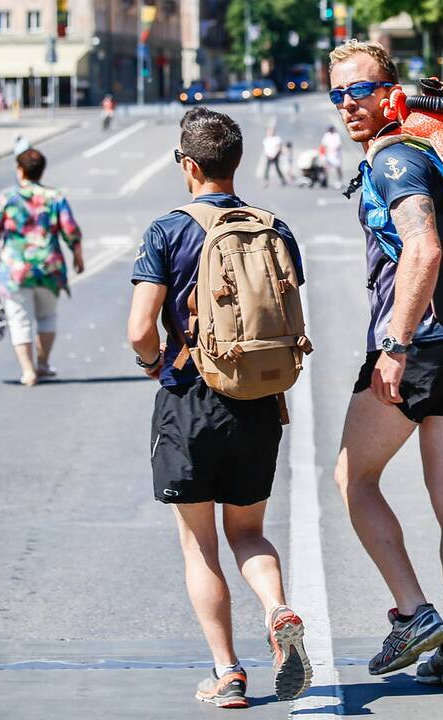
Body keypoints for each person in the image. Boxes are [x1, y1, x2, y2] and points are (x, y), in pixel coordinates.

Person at [128, 107, 311, 708]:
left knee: (199, 545)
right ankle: (278, 609)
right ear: (236, 162)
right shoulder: (273, 228)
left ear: (188, 164)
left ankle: (229, 673)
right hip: (259, 399)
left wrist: (158, 366)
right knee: (249, 531)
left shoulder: (168, 229)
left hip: (190, 400)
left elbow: (139, 330)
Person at [328, 38, 443, 687]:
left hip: (416, 345)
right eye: (338, 93)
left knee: (351, 478)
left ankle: (416, 613)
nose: (348, 104)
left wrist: (394, 345)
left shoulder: (394, 160)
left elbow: (422, 250)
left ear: (389, 91)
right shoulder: (419, 154)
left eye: (361, 89)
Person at [0, 148, 83, 386]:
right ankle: (43, 363)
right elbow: (70, 230)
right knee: (47, 316)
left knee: (19, 319)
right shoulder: (55, 197)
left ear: (20, 170)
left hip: (15, 269)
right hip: (49, 267)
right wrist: (77, 255)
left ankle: (28, 371)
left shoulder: (7, 198)